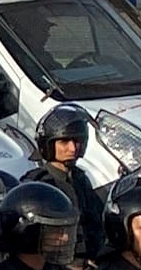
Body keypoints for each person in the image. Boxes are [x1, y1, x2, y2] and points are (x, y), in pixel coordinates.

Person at [24, 104, 109, 261]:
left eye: (77, 141)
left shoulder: (80, 179)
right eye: (64, 141)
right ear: (48, 144)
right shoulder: (37, 185)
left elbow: (95, 224)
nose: (72, 148)